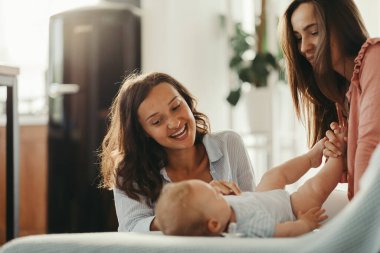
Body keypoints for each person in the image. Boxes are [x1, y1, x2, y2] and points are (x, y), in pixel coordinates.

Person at [99, 72, 256, 232]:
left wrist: (234, 204)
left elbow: (254, 209)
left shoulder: (229, 143)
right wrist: (190, 211)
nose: (174, 123)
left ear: (187, 102)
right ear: (143, 131)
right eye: (157, 121)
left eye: (176, 107)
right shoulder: (130, 171)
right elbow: (130, 227)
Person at [155, 127, 345, 237]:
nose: (217, 192)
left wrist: (232, 196)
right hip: (289, 211)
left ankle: (311, 158)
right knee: (314, 189)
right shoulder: (247, 227)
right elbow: (282, 231)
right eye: (214, 195)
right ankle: (339, 156)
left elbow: (240, 201)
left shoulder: (217, 211)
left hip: (260, 199)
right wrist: (305, 224)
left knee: (273, 175)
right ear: (214, 225)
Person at [280, 0, 380, 200]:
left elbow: (370, 145)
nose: (303, 47)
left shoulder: (375, 57)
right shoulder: (342, 94)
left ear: (342, 26)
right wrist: (342, 155)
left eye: (314, 32)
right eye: (298, 37)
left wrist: (358, 225)